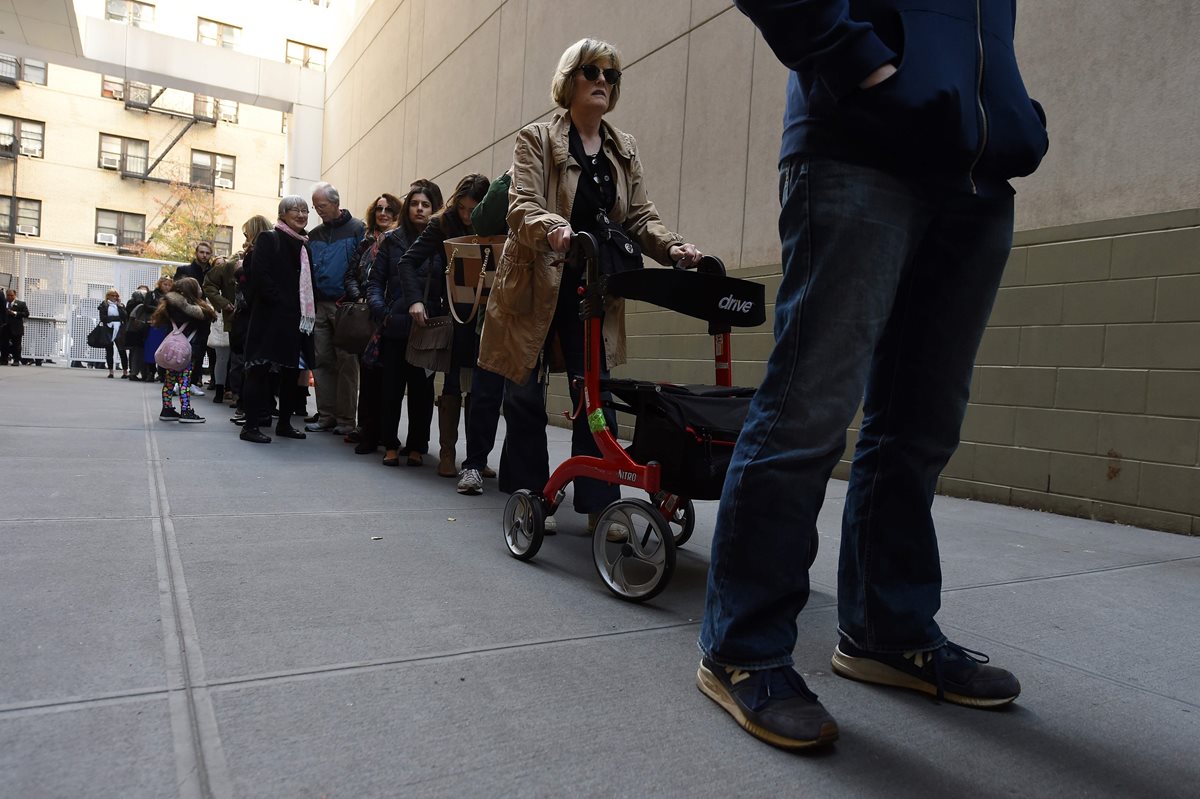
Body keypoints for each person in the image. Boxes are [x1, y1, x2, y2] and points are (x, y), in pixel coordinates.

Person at [695, 1, 1051, 750]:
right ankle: (743, 648)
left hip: (977, 171)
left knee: (921, 424)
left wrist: (1011, 110)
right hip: (858, 145)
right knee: (808, 412)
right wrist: (856, 59)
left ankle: (887, 632)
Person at [478, 38, 701, 535]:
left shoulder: (624, 148)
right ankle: (532, 493)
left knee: (592, 394)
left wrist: (676, 249)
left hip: (592, 287)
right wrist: (554, 228)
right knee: (525, 394)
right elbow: (521, 205)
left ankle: (602, 501)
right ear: (569, 79)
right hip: (536, 278)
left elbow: (641, 217)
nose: (603, 80)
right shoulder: (536, 137)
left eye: (612, 75)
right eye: (592, 71)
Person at [398, 173, 491, 476]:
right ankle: (448, 454)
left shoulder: (497, 221)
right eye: (462, 208)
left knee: (482, 388)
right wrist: (416, 300)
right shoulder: (441, 223)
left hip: (489, 316)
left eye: (473, 210)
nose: (466, 216)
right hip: (454, 313)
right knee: (452, 384)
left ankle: (478, 459)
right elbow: (407, 261)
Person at [367, 182, 444, 466]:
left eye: (425, 204)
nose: (420, 209)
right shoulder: (393, 239)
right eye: (414, 203)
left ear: (434, 208)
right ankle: (390, 444)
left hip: (428, 327)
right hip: (395, 325)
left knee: (422, 392)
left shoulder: (441, 240)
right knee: (391, 389)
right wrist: (382, 311)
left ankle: (417, 446)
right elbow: (375, 282)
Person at [238, 196, 318, 444]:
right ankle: (250, 426)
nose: (302, 214)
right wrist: (282, 304)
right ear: (282, 214)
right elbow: (260, 277)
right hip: (270, 318)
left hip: (297, 321)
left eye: (305, 210)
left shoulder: (305, 245)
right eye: (295, 210)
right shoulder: (268, 238)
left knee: (291, 374)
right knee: (259, 371)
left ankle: (284, 424)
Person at [456, 169, 511, 495]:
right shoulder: (505, 192)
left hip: (535, 315)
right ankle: (474, 464)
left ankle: (519, 474)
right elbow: (483, 220)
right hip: (492, 312)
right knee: (485, 394)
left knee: (522, 400)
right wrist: (509, 176)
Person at [344, 192, 403, 453]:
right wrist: (360, 297)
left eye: (389, 209)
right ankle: (367, 431)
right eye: (379, 209)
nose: (383, 213)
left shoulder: (403, 241)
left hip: (392, 316)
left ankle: (384, 433)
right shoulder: (365, 243)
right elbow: (350, 276)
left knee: (388, 380)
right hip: (367, 315)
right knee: (367, 376)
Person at [307, 182, 366, 435]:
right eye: (315, 207)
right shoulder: (315, 234)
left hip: (346, 306)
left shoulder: (358, 229)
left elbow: (362, 266)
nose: (318, 211)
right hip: (319, 304)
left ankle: (345, 420)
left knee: (347, 363)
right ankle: (327, 414)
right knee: (321, 361)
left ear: (335, 203)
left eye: (322, 206)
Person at [151, 277, 216, 423]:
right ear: (193, 291)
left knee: (169, 380)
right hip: (188, 350)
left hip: (172, 350)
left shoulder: (168, 307)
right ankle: (186, 410)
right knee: (185, 382)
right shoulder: (198, 311)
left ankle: (166, 409)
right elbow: (206, 325)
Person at [173, 242, 214, 391]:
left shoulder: (214, 271)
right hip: (187, 313)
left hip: (205, 314)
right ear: (196, 253)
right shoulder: (185, 270)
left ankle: (194, 381)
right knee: (183, 347)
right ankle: (179, 381)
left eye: (207, 253)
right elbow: (176, 289)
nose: (204, 255)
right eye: (202, 252)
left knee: (201, 348)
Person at [205, 243, 241, 403]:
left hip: (234, 317)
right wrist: (224, 303)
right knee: (223, 357)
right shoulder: (226, 271)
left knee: (236, 358)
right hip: (224, 318)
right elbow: (209, 288)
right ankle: (221, 389)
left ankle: (232, 391)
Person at [97, 289, 128, 378]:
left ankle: (125, 372)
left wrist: (120, 307)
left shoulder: (120, 305)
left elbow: (124, 317)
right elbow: (103, 318)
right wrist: (115, 318)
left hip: (119, 330)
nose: (114, 297)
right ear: (108, 296)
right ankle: (111, 372)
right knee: (109, 351)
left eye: (116, 296)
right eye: (112, 295)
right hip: (108, 330)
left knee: (122, 351)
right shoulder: (104, 305)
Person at [124, 290, 153, 381]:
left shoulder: (131, 305)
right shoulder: (142, 307)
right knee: (141, 353)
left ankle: (135, 372)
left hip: (134, 332)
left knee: (136, 353)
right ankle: (141, 373)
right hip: (140, 332)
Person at [2, 289, 29, 365]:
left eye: (11, 295)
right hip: (5, 327)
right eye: (8, 295)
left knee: (16, 345)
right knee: (4, 344)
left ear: (15, 295)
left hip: (16, 328)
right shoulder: (3, 304)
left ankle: (16, 360)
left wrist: (14, 313)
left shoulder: (21, 304)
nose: (9, 297)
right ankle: (4, 360)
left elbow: (26, 314)